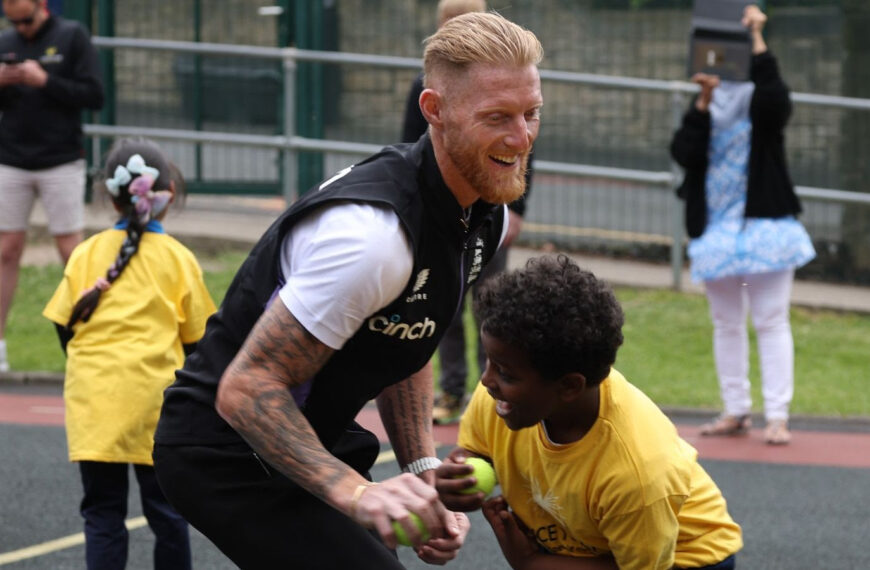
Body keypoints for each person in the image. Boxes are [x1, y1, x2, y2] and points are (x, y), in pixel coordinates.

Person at [152, 11, 543, 569]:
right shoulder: (373, 239)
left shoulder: (485, 214)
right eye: (497, 117)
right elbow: (246, 387)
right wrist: (357, 491)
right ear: (433, 111)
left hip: (314, 437)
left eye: (532, 114)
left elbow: (408, 334)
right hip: (223, 453)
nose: (521, 137)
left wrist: (419, 470)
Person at [435, 254, 743, 570]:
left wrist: (532, 562)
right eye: (490, 362)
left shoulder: (637, 472)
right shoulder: (505, 397)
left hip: (687, 559)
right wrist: (461, 475)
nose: (486, 381)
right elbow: (478, 450)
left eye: (505, 372)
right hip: (588, 542)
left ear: (569, 386)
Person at [42, 138, 216, 569]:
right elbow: (199, 342)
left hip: (95, 402)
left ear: (108, 196)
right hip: (156, 407)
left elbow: (63, 325)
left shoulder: (86, 254)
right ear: (168, 196)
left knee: (102, 513)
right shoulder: (178, 259)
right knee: (168, 513)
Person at [670, 4, 815, 445]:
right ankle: (736, 410)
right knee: (726, 323)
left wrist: (756, 38)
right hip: (717, 232)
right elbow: (684, 153)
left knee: (771, 320)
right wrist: (703, 101)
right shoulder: (706, 104)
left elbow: (778, 102)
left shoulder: (761, 99)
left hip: (765, 229)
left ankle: (777, 416)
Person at [401, 0, 535, 424]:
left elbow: (524, 150)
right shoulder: (426, 90)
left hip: (491, 210)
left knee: (492, 307)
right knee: (441, 308)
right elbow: (411, 146)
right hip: (438, 219)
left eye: (531, 114)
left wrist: (514, 206)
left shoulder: (510, 89)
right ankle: (452, 390)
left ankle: (490, 393)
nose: (520, 134)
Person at [0, 0, 104, 373]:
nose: (21, 29)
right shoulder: (5, 39)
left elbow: (95, 95)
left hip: (60, 159)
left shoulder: (72, 36)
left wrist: (44, 80)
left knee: (70, 250)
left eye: (26, 20)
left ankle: (85, 340)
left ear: (41, 6)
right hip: (11, 159)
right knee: (6, 250)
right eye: (14, 22)